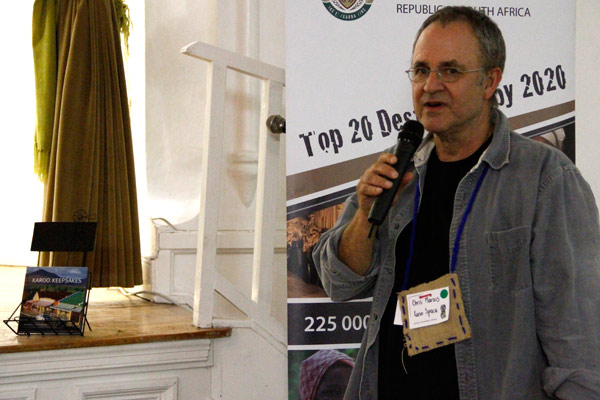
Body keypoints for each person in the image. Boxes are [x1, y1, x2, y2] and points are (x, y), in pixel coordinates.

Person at [312, 6, 600, 400]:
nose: (430, 85)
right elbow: (339, 283)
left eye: (450, 71)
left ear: (490, 81)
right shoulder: (399, 168)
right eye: (421, 70)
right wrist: (364, 216)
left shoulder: (545, 179)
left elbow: (578, 339)